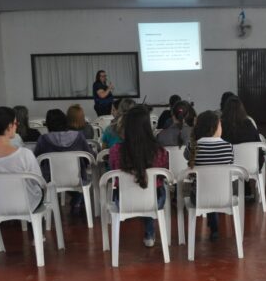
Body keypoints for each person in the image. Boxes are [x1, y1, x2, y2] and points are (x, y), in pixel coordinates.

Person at [109, 105, 168, 247]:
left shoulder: (116, 150)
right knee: (155, 188)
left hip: (124, 201)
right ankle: (149, 233)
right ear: (148, 126)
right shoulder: (159, 151)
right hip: (154, 201)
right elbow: (163, 175)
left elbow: (113, 172)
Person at [0, 106, 43, 212]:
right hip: (27, 205)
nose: (17, 126)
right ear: (10, 126)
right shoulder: (24, 154)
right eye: (15, 123)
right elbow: (38, 181)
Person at [185, 110, 234, 240]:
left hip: (199, 198)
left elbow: (186, 156)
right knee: (214, 188)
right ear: (214, 128)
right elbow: (231, 164)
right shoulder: (228, 147)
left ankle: (212, 227)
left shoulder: (193, 146)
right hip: (224, 197)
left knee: (205, 189)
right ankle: (214, 228)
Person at [35, 108, 95, 214]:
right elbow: (88, 156)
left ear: (48, 124)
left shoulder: (43, 139)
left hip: (51, 180)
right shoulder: (78, 136)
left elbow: (37, 160)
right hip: (77, 178)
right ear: (65, 121)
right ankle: (77, 199)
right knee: (81, 175)